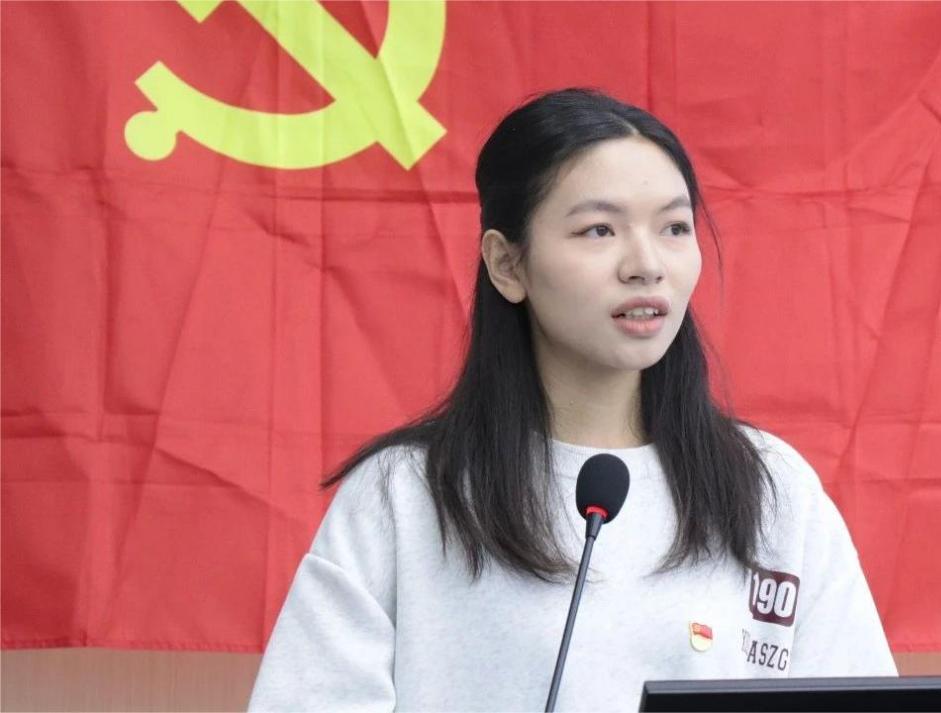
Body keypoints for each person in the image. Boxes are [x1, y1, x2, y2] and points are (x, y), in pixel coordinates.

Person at [247, 87, 896, 712]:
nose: (646, 264)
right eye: (598, 231)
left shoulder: (772, 489)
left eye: (674, 227)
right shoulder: (405, 495)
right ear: (508, 265)